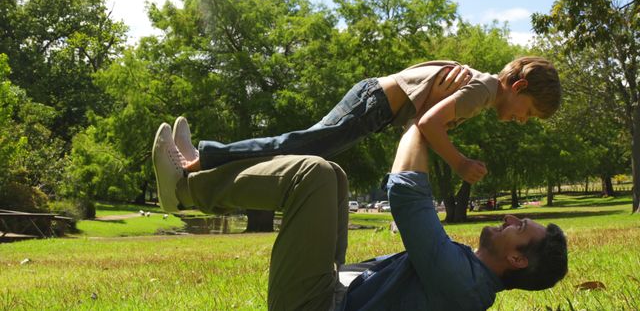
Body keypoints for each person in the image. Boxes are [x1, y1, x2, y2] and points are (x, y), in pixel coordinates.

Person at [151, 118, 568, 310]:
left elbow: (406, 197)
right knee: (333, 175)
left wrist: (425, 121)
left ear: (517, 259)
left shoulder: (462, 283)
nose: (511, 220)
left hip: (315, 306)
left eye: (520, 227)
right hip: (336, 291)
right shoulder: (468, 280)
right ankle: (200, 166)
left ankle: (185, 190)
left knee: (311, 175)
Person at [176, 57, 560, 196]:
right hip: (371, 104)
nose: (520, 120)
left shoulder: (480, 85)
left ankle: (205, 160)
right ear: (519, 87)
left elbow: (419, 109)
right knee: (298, 148)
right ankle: (204, 156)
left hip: (374, 104)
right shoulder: (485, 90)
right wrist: (460, 163)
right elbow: (428, 124)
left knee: (300, 151)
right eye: (527, 112)